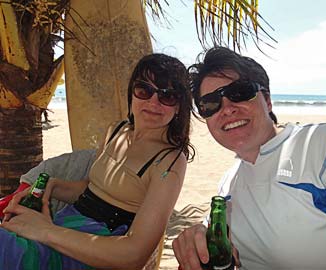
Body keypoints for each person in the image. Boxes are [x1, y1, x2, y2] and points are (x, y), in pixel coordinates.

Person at [0, 53, 195, 270]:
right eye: (144, 90)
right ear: (132, 93)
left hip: (93, 250)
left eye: (167, 96)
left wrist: (45, 231)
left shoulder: (170, 162)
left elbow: (134, 255)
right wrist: (51, 185)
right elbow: (92, 188)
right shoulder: (116, 131)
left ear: (179, 107)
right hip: (64, 228)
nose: (153, 102)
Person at [172, 46, 326, 270]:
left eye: (240, 92)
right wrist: (196, 238)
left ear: (268, 100)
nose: (227, 109)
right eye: (211, 103)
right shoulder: (229, 184)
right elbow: (215, 239)